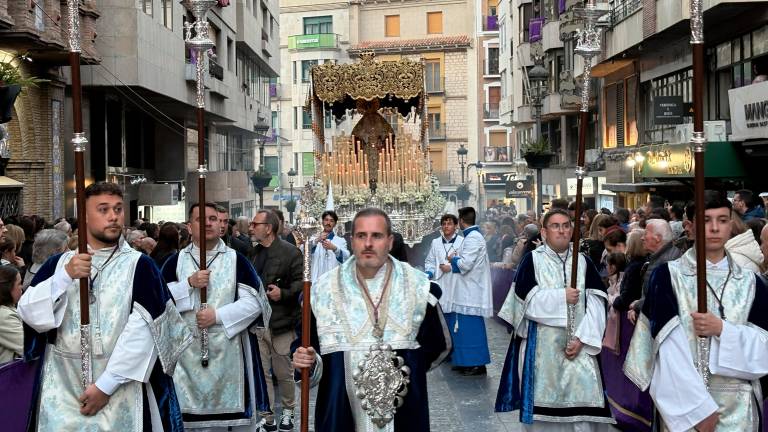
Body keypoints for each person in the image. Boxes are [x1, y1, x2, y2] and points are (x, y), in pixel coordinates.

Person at [18, 182, 192, 431]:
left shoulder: (140, 266)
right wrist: (64, 277)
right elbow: (29, 312)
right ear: (84, 215)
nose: (113, 216)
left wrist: (106, 385)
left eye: (118, 209)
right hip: (62, 385)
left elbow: (146, 332)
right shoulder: (59, 264)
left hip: (119, 385)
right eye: (103, 209)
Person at [291, 208, 451, 432]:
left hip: (403, 414)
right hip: (340, 414)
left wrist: (404, 370)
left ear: (389, 241)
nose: (368, 243)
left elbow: (439, 345)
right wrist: (305, 359)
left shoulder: (418, 287)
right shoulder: (322, 291)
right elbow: (307, 348)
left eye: (376, 236)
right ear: (352, 241)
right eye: (361, 236)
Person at [624, 191, 768, 431]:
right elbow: (666, 348)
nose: (714, 228)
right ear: (690, 226)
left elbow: (763, 346)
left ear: (731, 224)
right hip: (683, 405)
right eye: (706, 220)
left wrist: (722, 329)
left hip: (738, 407)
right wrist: (696, 410)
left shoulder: (752, 283)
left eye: (722, 220)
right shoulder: (668, 276)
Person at [496, 208, 615, 430]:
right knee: (545, 421)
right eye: (555, 226)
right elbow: (525, 305)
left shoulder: (584, 262)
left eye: (566, 226)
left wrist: (582, 338)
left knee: (582, 415)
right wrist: (562, 297)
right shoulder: (531, 261)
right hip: (543, 352)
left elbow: (598, 304)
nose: (561, 231)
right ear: (544, 232)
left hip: (580, 347)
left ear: (572, 231)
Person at [160, 202, 271, 431]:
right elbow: (160, 304)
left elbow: (254, 303)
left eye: (213, 219)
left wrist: (217, 316)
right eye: (201, 219)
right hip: (185, 358)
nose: (208, 223)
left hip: (228, 355)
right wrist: (188, 285)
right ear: (189, 227)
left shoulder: (236, 260)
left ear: (220, 226)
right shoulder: (174, 262)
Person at [249, 209, 303, 432]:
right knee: (262, 374)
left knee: (284, 373)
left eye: (256, 224)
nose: (252, 228)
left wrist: (284, 293)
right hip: (258, 323)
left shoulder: (291, 252)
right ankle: (267, 416)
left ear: (268, 228)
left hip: (282, 323)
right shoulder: (254, 253)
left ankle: (289, 412)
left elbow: (301, 283)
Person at [445, 207, 493, 375]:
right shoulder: (471, 237)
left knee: (471, 329)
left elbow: (465, 265)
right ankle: (465, 361)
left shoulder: (473, 238)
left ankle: (477, 363)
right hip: (466, 289)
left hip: (471, 290)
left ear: (462, 221)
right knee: (463, 330)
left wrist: (453, 259)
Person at [630, 219, 682, 322]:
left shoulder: (667, 262)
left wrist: (637, 305)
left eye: (645, 234)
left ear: (658, 238)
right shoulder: (660, 257)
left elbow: (659, 297)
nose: (642, 238)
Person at [424, 213, 464, 332]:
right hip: (440, 281)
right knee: (440, 312)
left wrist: (451, 267)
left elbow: (467, 263)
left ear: (456, 226)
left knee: (454, 313)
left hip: (455, 282)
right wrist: (430, 273)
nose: (446, 226)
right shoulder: (435, 242)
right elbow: (430, 261)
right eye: (444, 224)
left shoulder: (462, 242)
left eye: (449, 224)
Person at [308, 210, 350, 283]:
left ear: (335, 224)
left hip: (333, 281)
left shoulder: (340, 241)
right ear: (322, 222)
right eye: (326, 220)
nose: (328, 223)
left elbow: (346, 257)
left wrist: (334, 248)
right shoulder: (313, 239)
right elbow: (303, 250)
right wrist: (317, 240)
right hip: (317, 280)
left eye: (331, 221)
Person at [0, 265, 22, 363]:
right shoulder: (4, 316)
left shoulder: (7, 309)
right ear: (8, 288)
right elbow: (29, 347)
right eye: (19, 283)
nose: (22, 287)